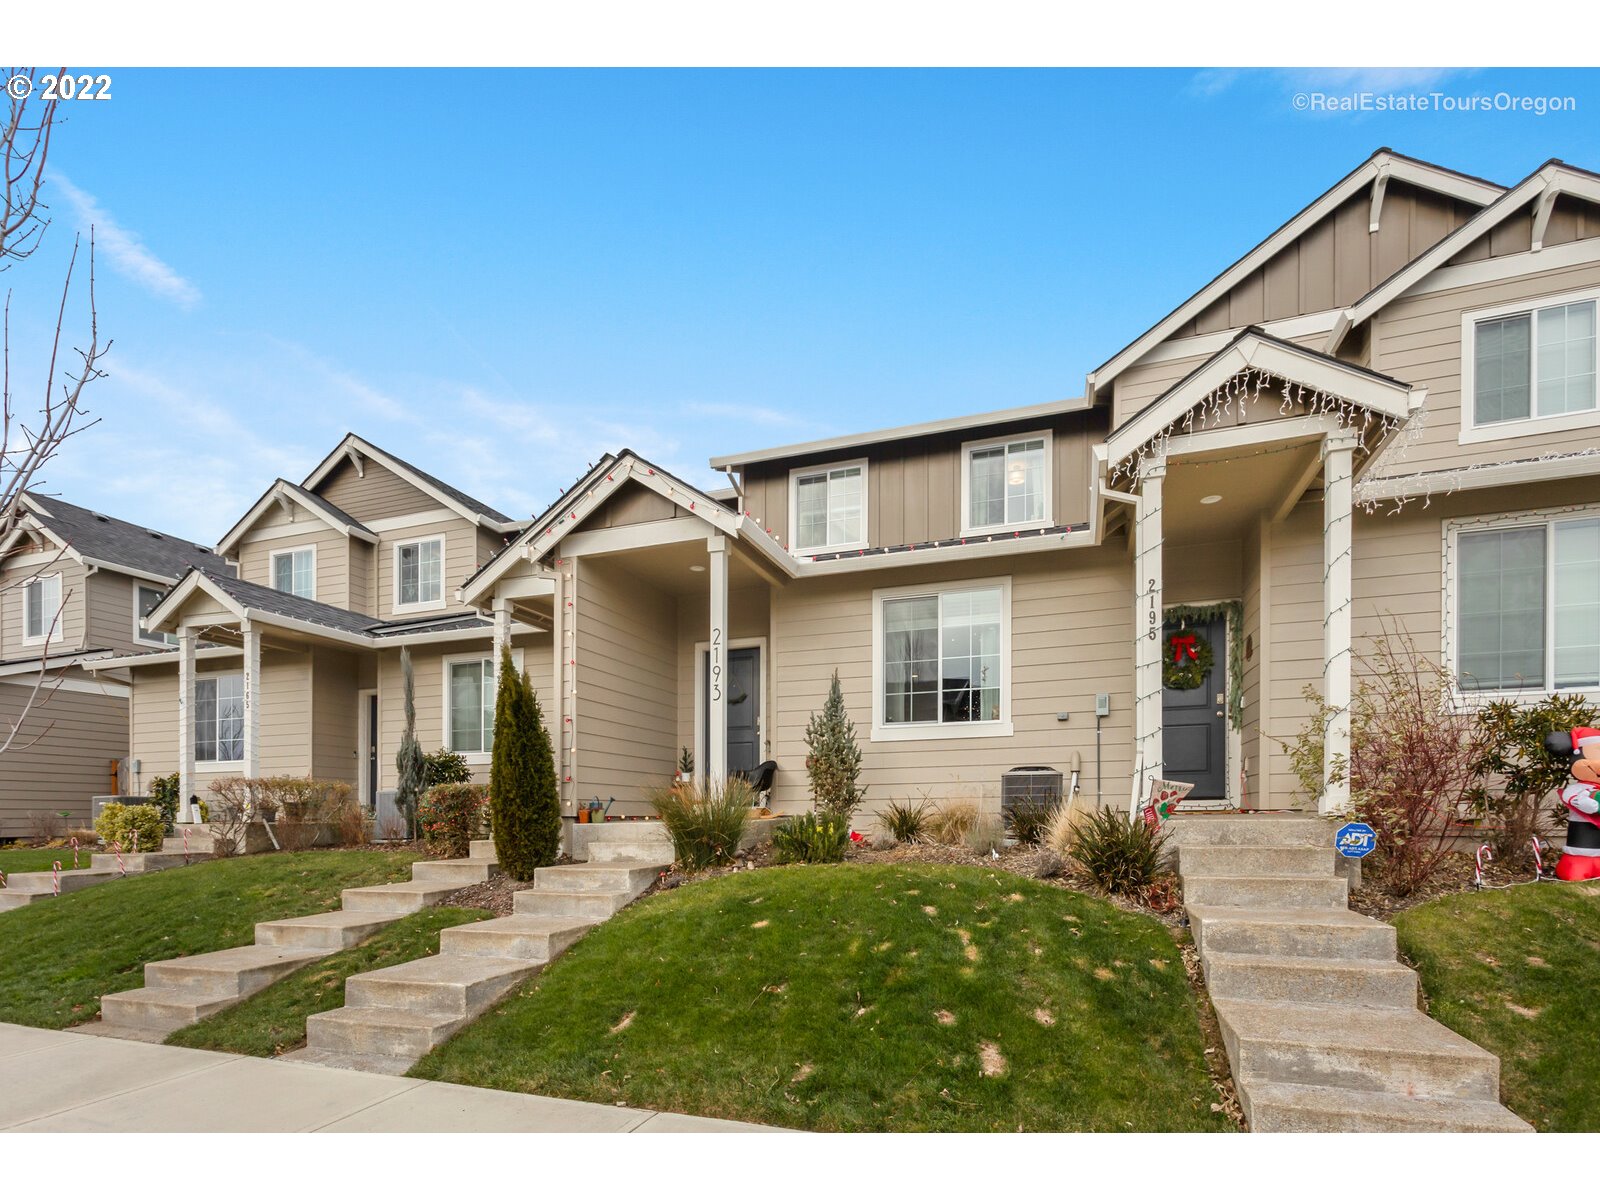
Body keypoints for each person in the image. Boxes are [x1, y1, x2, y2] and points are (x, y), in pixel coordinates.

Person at [1542, 726, 1600, 882]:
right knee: (1575, 870)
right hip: (1580, 846)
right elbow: (1573, 798)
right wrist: (1589, 803)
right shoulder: (1578, 789)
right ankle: (1576, 868)